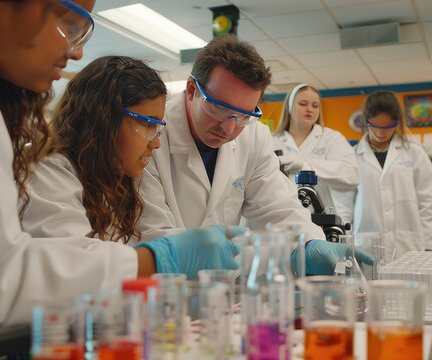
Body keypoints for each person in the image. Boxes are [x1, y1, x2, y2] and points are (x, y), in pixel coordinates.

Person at [0, 0, 237, 334]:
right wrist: (156, 261)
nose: (75, 53)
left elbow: (153, 233)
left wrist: (193, 250)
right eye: (69, 23)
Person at [138, 34, 372, 275]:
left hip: (223, 292)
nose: (229, 128)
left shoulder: (253, 136)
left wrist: (308, 243)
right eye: (219, 108)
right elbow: (151, 233)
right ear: (191, 90)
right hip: (161, 289)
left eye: (243, 114)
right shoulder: (150, 131)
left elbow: (278, 206)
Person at [21, 55, 242, 280]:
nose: (156, 143)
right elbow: (72, 266)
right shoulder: (47, 174)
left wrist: (203, 249)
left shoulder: (130, 177)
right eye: (147, 124)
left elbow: (158, 234)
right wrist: (166, 258)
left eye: (157, 127)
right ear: (104, 119)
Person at [337, 91, 432, 261]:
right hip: (365, 247)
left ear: (398, 123)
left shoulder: (414, 154)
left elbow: (430, 204)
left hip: (409, 248)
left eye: (388, 126)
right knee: (367, 287)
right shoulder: (353, 156)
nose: (381, 132)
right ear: (366, 121)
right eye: (375, 125)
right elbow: (344, 206)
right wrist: (343, 244)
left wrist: (431, 247)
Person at [272, 83, 358, 224]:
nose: (310, 109)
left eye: (315, 105)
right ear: (289, 107)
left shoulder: (331, 138)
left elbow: (351, 176)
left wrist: (307, 166)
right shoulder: (272, 140)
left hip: (320, 220)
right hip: (282, 220)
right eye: (303, 104)